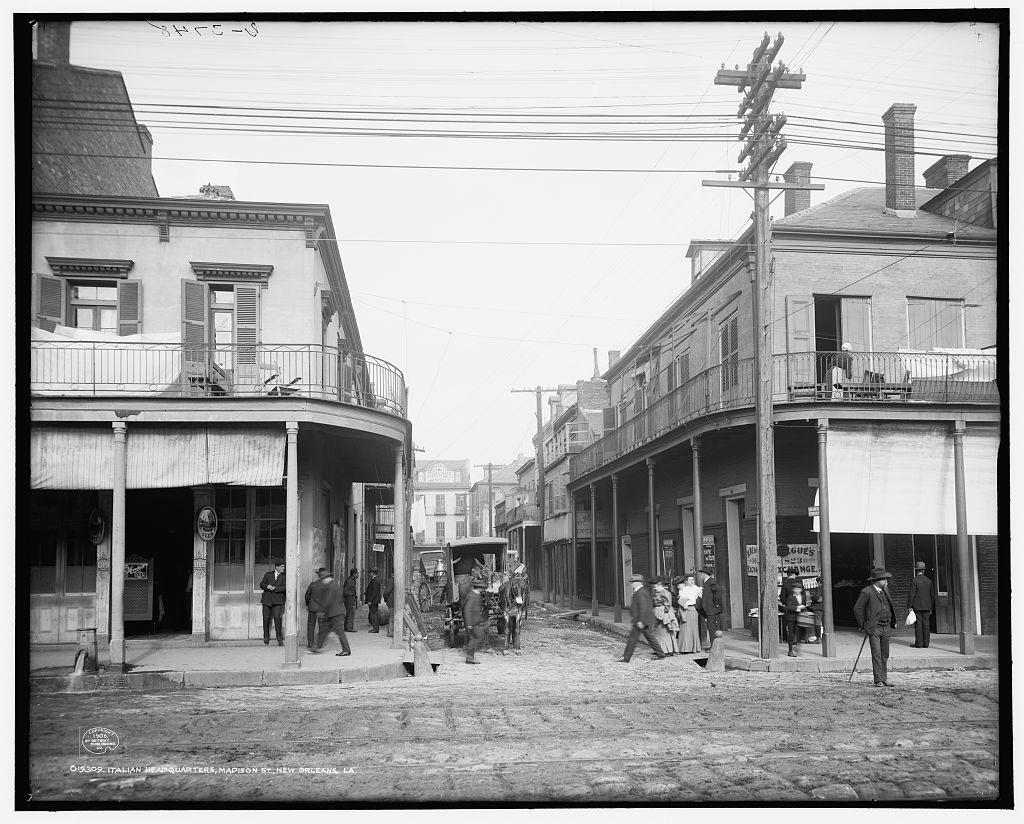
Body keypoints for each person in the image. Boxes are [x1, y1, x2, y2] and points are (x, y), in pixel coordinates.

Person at [853, 567, 898, 687]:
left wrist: (893, 620)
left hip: (886, 626)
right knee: (877, 653)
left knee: (885, 654)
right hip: (874, 628)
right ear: (877, 580)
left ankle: (884, 678)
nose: (886, 581)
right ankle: (878, 679)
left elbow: (890, 606)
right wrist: (863, 625)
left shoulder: (885, 591)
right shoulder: (866, 591)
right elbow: (858, 609)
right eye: (884, 579)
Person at [622, 574, 668, 662]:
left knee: (633, 638)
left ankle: (626, 657)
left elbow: (643, 607)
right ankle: (660, 653)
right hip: (643, 619)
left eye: (633, 582)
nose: (632, 584)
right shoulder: (641, 591)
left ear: (638, 583)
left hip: (641, 620)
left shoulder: (641, 592)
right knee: (649, 637)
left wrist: (640, 621)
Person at [309, 571, 351, 656]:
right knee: (324, 631)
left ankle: (346, 650)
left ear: (326, 579)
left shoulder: (330, 587)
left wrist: (321, 611)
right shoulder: (333, 585)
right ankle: (317, 647)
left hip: (336, 614)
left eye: (322, 579)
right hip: (332, 613)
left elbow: (328, 601)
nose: (322, 581)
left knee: (340, 632)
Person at [907, 561, 935, 648]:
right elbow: (932, 595)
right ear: (924, 571)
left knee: (918, 624)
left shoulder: (914, 580)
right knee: (926, 624)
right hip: (927, 606)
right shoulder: (929, 581)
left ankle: (919, 643)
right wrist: (931, 607)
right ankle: (926, 644)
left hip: (917, 606)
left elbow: (912, 594)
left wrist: (909, 606)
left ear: (916, 570)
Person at [258, 560, 286, 646]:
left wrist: (275, 588)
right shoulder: (268, 574)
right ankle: (266, 637)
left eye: (284, 566)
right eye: (282, 566)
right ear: (276, 567)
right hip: (267, 600)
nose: (283, 568)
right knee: (266, 618)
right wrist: (267, 586)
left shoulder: (284, 576)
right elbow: (261, 584)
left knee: (277, 618)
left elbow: (285, 587)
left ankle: (279, 638)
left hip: (277, 600)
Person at [676, 573, 702, 654]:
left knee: (694, 630)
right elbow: (681, 600)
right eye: (690, 580)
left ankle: (694, 648)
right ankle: (684, 648)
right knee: (685, 630)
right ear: (687, 581)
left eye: (693, 580)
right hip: (686, 610)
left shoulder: (697, 589)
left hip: (693, 610)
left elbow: (700, 599)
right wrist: (684, 604)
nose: (692, 581)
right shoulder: (685, 589)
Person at [699, 566, 724, 650]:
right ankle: (714, 645)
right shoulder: (708, 582)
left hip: (712, 609)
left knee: (712, 628)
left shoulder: (711, 582)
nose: (701, 575)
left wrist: (716, 603)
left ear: (704, 574)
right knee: (712, 627)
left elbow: (718, 591)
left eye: (702, 573)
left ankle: (714, 646)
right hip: (710, 609)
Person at [463, 576, 487, 665]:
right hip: (473, 622)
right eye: (482, 587)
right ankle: (469, 657)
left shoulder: (476, 594)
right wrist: (468, 624)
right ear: (478, 587)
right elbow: (467, 610)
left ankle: (470, 656)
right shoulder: (472, 596)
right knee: (476, 638)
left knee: (477, 638)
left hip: (476, 621)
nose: (482, 589)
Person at [652, 578, 678, 654]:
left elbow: (667, 605)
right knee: (659, 633)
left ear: (660, 585)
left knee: (664, 633)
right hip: (659, 612)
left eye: (656, 586)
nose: (654, 587)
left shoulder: (665, 593)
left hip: (664, 614)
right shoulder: (659, 592)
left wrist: (661, 613)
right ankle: (661, 649)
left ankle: (667, 650)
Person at [304, 567, 327, 649]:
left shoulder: (313, 585)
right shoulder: (326, 586)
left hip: (312, 608)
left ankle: (310, 643)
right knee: (322, 627)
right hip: (322, 609)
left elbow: (307, 596)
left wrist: (308, 604)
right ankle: (320, 644)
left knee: (310, 626)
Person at [784, 580, 809, 657]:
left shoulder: (803, 597)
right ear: (793, 590)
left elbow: (805, 605)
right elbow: (789, 606)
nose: (797, 590)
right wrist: (798, 607)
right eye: (795, 589)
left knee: (801, 633)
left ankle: (797, 647)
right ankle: (790, 650)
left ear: (801, 590)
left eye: (798, 589)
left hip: (801, 617)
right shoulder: (790, 597)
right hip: (791, 617)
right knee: (791, 634)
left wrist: (805, 611)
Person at [364, 568, 383, 633]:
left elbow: (374, 592)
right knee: (374, 614)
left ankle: (375, 629)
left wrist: (370, 601)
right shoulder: (375, 579)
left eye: (370, 573)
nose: (369, 574)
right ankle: (375, 628)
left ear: (373, 573)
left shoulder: (375, 580)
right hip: (375, 600)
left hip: (373, 601)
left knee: (374, 615)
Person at [383, 572, 395, 638]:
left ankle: (391, 632)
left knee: (392, 617)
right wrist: (386, 599)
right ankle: (391, 632)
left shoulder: (393, 580)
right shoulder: (391, 580)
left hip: (393, 601)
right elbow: (386, 592)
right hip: (392, 601)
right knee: (392, 617)